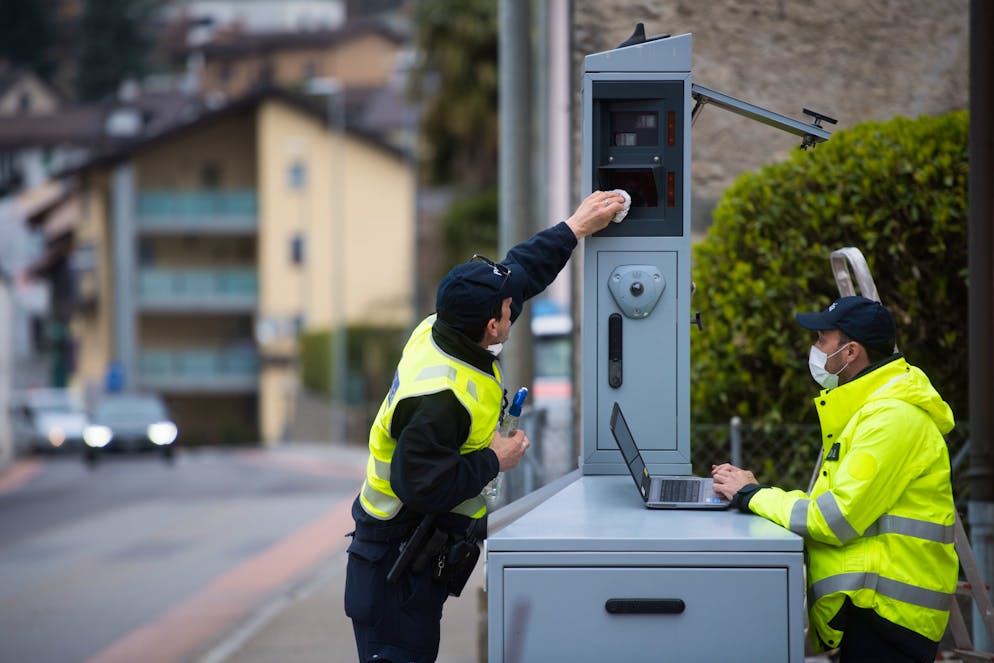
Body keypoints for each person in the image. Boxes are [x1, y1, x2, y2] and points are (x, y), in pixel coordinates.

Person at [344, 189, 626, 663]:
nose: (515, 306)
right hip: (394, 572)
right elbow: (420, 486)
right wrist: (496, 458)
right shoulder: (438, 398)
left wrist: (575, 227)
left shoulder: (447, 323)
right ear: (493, 328)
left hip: (410, 566)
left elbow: (522, 269)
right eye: (508, 309)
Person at [711, 296, 958, 662]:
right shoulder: (872, 410)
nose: (814, 349)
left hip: (890, 618)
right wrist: (758, 491)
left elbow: (833, 519)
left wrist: (753, 494)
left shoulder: (891, 418)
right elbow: (833, 505)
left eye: (821, 340)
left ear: (850, 352)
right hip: (878, 611)